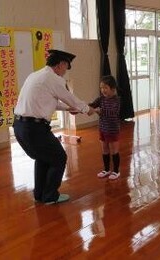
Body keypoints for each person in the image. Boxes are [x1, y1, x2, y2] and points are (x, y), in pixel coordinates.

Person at [13, 49, 95, 204]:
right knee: (59, 157)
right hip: (34, 129)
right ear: (61, 64)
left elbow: (46, 100)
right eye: (66, 67)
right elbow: (71, 98)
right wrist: (87, 109)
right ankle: (50, 195)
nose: (65, 72)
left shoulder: (35, 75)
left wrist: (68, 108)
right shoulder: (54, 79)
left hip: (20, 126)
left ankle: (40, 194)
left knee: (43, 157)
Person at [89, 75, 121, 180]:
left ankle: (116, 171)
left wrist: (99, 111)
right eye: (101, 88)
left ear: (112, 88)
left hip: (112, 129)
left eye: (105, 87)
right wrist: (83, 107)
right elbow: (92, 105)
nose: (103, 90)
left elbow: (112, 113)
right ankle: (106, 169)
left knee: (114, 150)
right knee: (104, 149)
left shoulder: (116, 100)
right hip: (103, 128)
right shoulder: (101, 99)